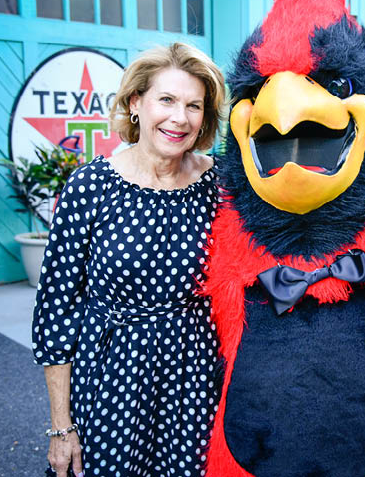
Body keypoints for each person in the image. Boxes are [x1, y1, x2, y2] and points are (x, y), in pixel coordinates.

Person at [32, 42, 227, 477]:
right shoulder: (90, 187)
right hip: (112, 376)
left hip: (194, 377)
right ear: (136, 102)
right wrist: (61, 427)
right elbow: (56, 311)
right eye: (167, 99)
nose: (180, 117)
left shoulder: (221, 185)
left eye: (194, 105)